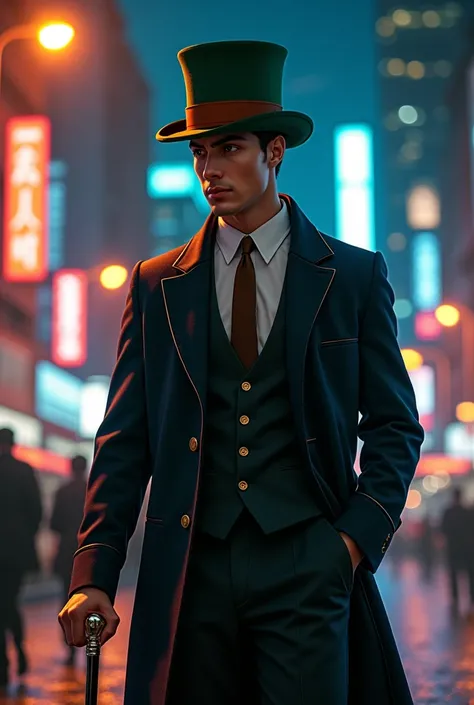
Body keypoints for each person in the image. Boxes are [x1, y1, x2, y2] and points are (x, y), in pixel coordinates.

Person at [59, 40, 424, 705]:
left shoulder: (352, 275)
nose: (208, 168)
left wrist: (350, 542)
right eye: (199, 151)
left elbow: (397, 423)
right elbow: (125, 440)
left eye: (227, 147)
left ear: (274, 151)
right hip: (189, 568)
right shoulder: (156, 284)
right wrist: (94, 573)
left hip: (307, 562)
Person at [0, 428, 42, 690]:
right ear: (14, 444)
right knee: (9, 601)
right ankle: (19, 649)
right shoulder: (25, 471)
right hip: (16, 553)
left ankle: (4, 664)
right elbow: (37, 512)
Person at [50, 455, 88, 666]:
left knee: (67, 598)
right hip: (88, 552)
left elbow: (53, 524)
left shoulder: (62, 492)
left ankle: (70, 647)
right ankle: (92, 641)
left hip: (67, 552)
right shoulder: (92, 490)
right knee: (90, 594)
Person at [441, 487, 474, 612]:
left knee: (453, 574)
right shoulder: (468, 512)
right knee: (470, 574)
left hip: (453, 548)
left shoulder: (448, 512)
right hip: (467, 548)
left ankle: (455, 599)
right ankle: (471, 598)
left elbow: (443, 530)